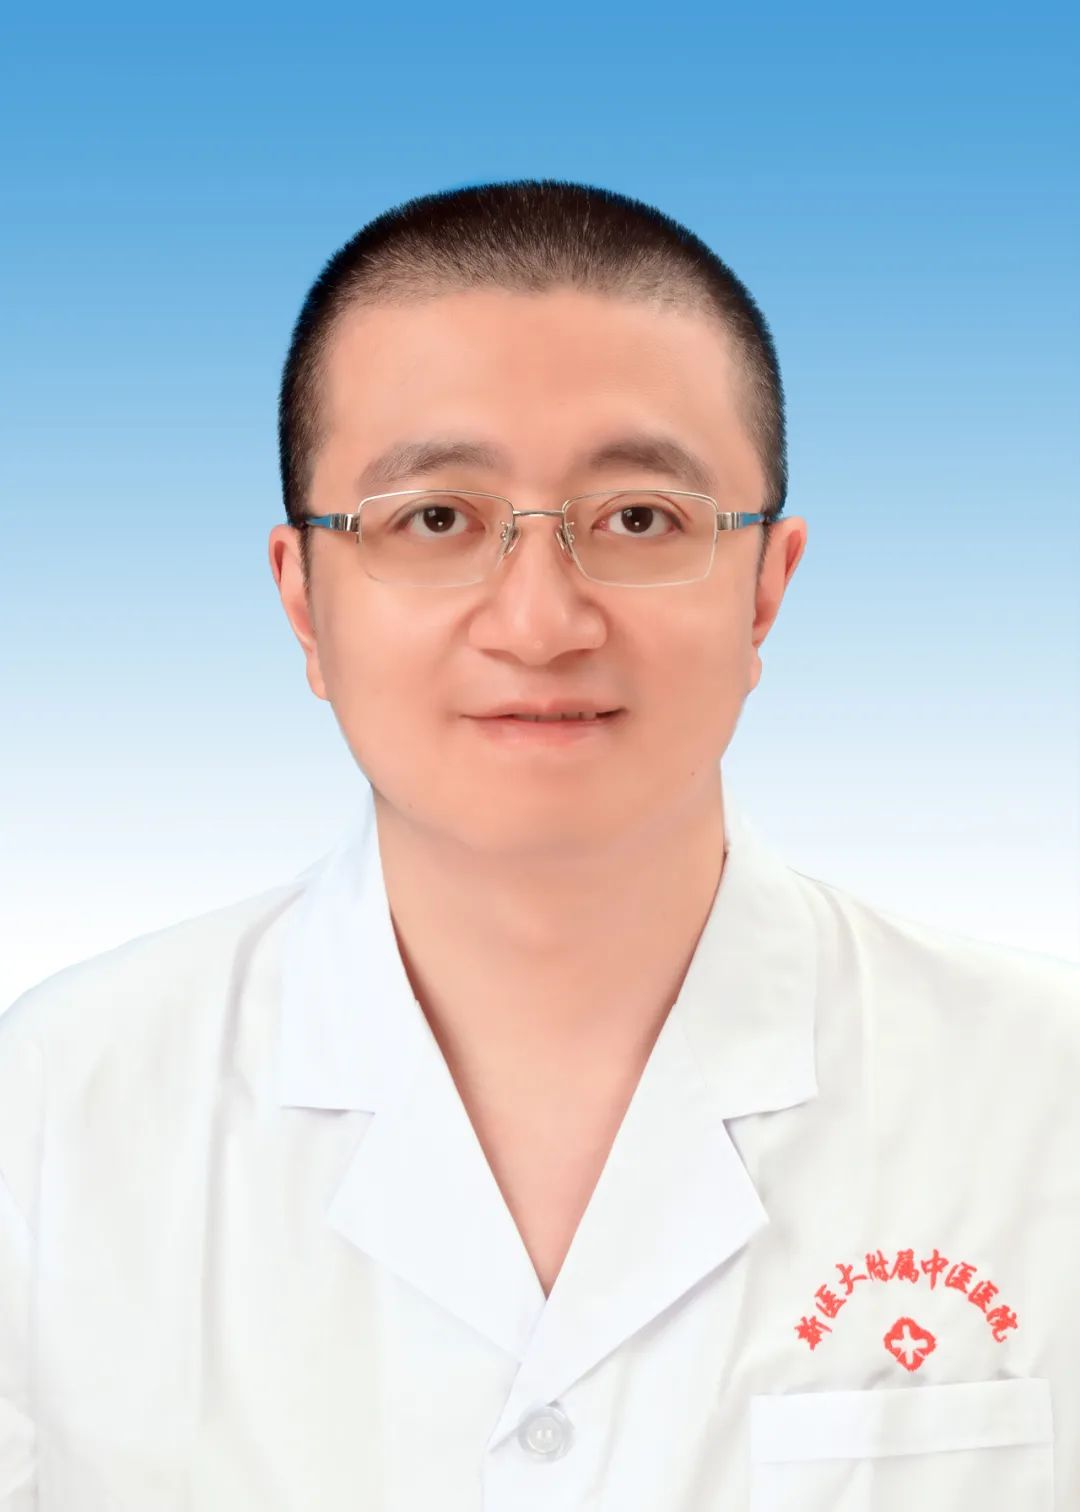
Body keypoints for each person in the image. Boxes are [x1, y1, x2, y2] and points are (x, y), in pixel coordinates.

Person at [1, 178, 1076, 1512]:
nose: (540, 622)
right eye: (434, 519)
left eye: (639, 519)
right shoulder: (49, 1117)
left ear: (766, 588)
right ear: (303, 600)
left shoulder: (1047, 1099)